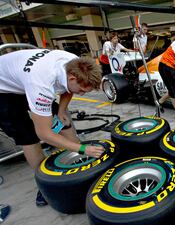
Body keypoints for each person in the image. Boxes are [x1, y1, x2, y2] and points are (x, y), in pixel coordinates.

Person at [0, 49, 104, 207]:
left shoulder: (74, 61)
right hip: (4, 90)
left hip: (24, 78)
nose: (82, 94)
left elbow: (68, 89)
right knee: (28, 136)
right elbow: (44, 133)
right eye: (82, 90)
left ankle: (82, 165)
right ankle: (46, 185)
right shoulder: (41, 83)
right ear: (72, 77)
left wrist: (62, 110)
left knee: (63, 121)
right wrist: (82, 148)